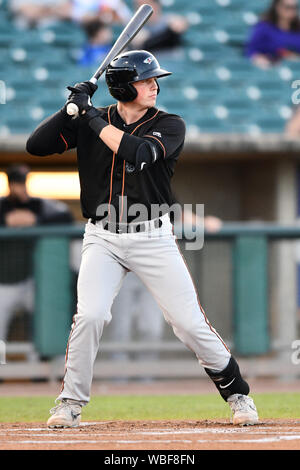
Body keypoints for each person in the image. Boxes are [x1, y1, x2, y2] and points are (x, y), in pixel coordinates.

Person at [26, 49, 258, 428]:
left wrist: (89, 115)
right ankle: (69, 402)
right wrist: (69, 107)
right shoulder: (91, 120)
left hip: (152, 235)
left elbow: (140, 151)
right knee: (90, 315)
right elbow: (37, 145)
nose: (154, 86)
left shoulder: (169, 124)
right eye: (145, 80)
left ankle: (237, 394)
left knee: (187, 322)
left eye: (154, 80)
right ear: (122, 86)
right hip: (101, 235)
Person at [0, 164, 74, 342]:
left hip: (31, 279)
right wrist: (5, 220)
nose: (21, 187)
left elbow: (66, 217)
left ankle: (39, 367)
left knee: (43, 326)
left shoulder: (37, 204)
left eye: (23, 182)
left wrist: (37, 220)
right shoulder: (2, 205)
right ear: (10, 184)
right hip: (3, 282)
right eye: (17, 183)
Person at [246, 0, 300, 69]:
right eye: (288, 7)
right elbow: (251, 51)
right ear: (278, 7)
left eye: (295, 7)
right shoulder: (264, 28)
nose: (292, 11)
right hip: (271, 68)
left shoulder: (298, 30)